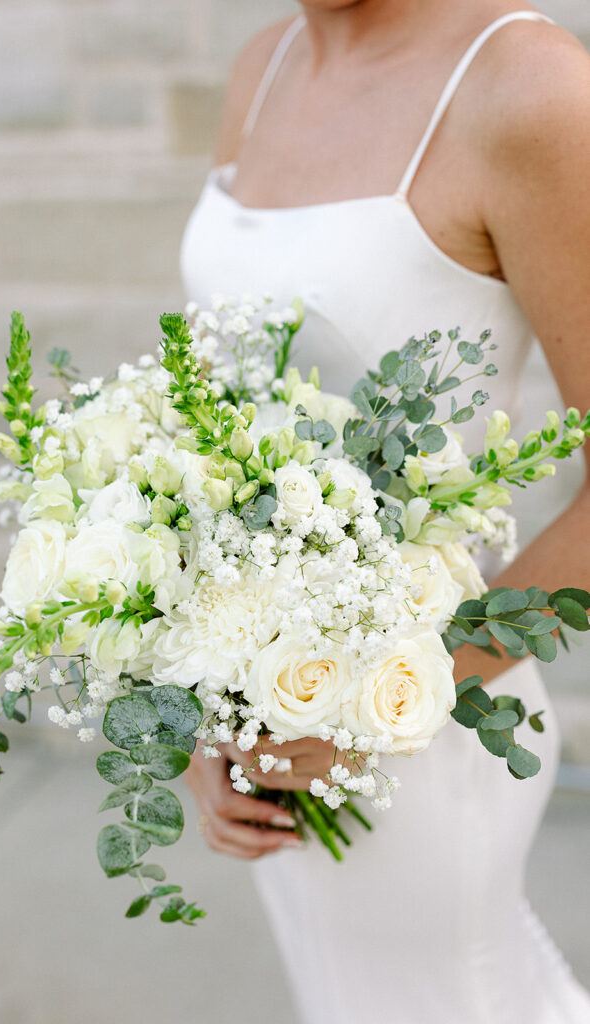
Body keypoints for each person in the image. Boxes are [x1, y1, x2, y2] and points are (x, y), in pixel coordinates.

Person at [180, 2, 590, 1020]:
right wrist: (196, 701)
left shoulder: (527, 88)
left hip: (432, 718)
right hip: (263, 709)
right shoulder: (263, 65)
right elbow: (207, 416)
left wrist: (375, 702)